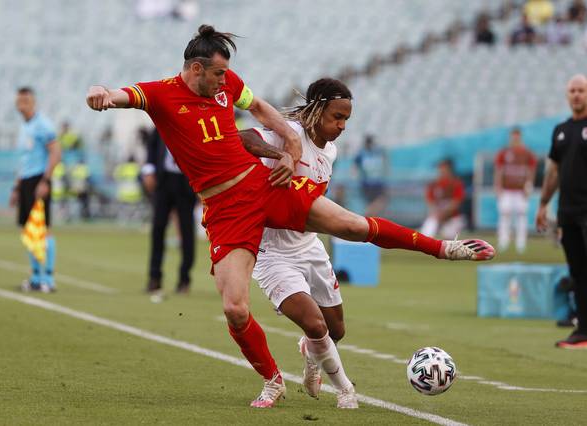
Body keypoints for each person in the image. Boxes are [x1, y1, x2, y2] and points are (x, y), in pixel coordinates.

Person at [86, 24, 495, 408]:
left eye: (226, 74)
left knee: (350, 225)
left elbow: (261, 109)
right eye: (217, 73)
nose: (224, 80)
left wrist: (290, 145)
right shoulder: (160, 94)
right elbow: (121, 94)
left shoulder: (228, 84)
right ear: (196, 69)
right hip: (225, 209)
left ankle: (445, 248)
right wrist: (101, 92)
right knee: (235, 309)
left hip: (261, 187)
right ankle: (272, 380)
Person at [242, 78, 357, 408]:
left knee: (336, 330)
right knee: (314, 323)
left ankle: (310, 356)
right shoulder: (289, 132)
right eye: (337, 116)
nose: (342, 125)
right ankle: (346, 390)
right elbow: (244, 137)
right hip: (272, 251)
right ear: (318, 109)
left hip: (309, 245)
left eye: (346, 119)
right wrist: (282, 155)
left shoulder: (330, 151)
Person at [537, 74, 587, 349]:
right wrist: (543, 204)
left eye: (581, 90)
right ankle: (583, 331)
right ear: (567, 95)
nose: (577, 95)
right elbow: (553, 171)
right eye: (573, 90)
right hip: (567, 211)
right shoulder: (561, 130)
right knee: (578, 271)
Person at [10, 87, 61, 293]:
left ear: (33, 102)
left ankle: (48, 279)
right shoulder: (25, 126)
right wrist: (17, 187)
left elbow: (56, 153)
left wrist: (45, 181)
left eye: (26, 100)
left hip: (38, 180)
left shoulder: (43, 125)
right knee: (28, 229)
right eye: (19, 100)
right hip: (26, 181)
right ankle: (35, 276)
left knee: (43, 229)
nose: (22, 104)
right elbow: (25, 161)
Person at [142, 128, 196, 298]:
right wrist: (148, 171)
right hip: (163, 181)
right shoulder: (161, 121)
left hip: (186, 182)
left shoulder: (192, 124)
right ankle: (154, 277)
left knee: (187, 232)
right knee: (158, 229)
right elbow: (152, 147)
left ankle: (184, 279)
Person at [494, 128, 538, 253]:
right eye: (513, 137)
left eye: (517, 137)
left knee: (521, 215)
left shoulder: (527, 153)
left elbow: (531, 170)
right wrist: (498, 186)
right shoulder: (504, 152)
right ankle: (503, 241)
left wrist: (529, 185)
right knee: (504, 214)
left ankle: (521, 243)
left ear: (520, 137)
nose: (515, 139)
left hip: (520, 190)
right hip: (507, 190)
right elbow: (499, 171)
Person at [420, 159, 466, 239]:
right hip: (437, 215)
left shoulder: (456, 183)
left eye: (444, 168)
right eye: (440, 168)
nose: (442, 170)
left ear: (450, 169)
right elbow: (430, 203)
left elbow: (456, 203)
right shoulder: (433, 184)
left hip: (453, 217)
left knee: (449, 238)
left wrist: (444, 214)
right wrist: (437, 214)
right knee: (426, 232)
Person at [353, 135, 388, 216]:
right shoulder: (362, 153)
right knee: (381, 200)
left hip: (376, 183)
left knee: (380, 201)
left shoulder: (375, 152)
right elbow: (355, 166)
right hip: (368, 184)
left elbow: (384, 159)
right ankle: (367, 215)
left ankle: (369, 217)